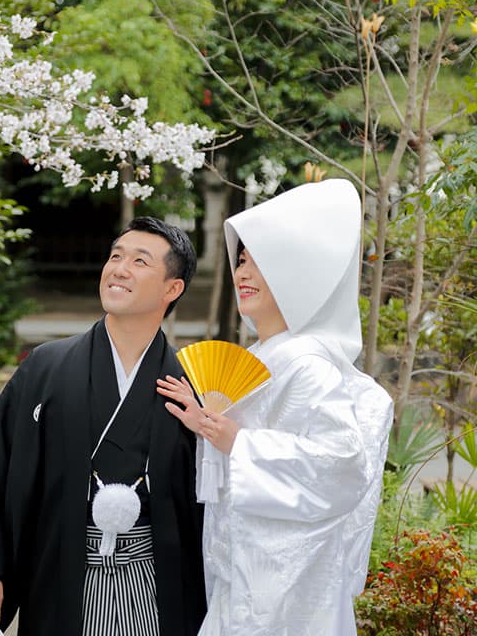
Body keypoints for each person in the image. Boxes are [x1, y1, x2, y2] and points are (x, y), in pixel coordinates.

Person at [0, 216, 207, 636]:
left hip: (158, 578)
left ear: (172, 288)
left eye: (139, 261)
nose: (119, 268)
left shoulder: (194, 383)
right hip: (63, 572)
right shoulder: (47, 367)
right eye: (115, 256)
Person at [157, 178, 393, 636]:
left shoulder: (308, 367)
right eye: (240, 260)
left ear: (295, 272)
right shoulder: (264, 359)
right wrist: (207, 425)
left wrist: (238, 442)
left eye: (258, 262)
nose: (242, 273)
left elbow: (343, 464)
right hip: (245, 568)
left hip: (291, 582)